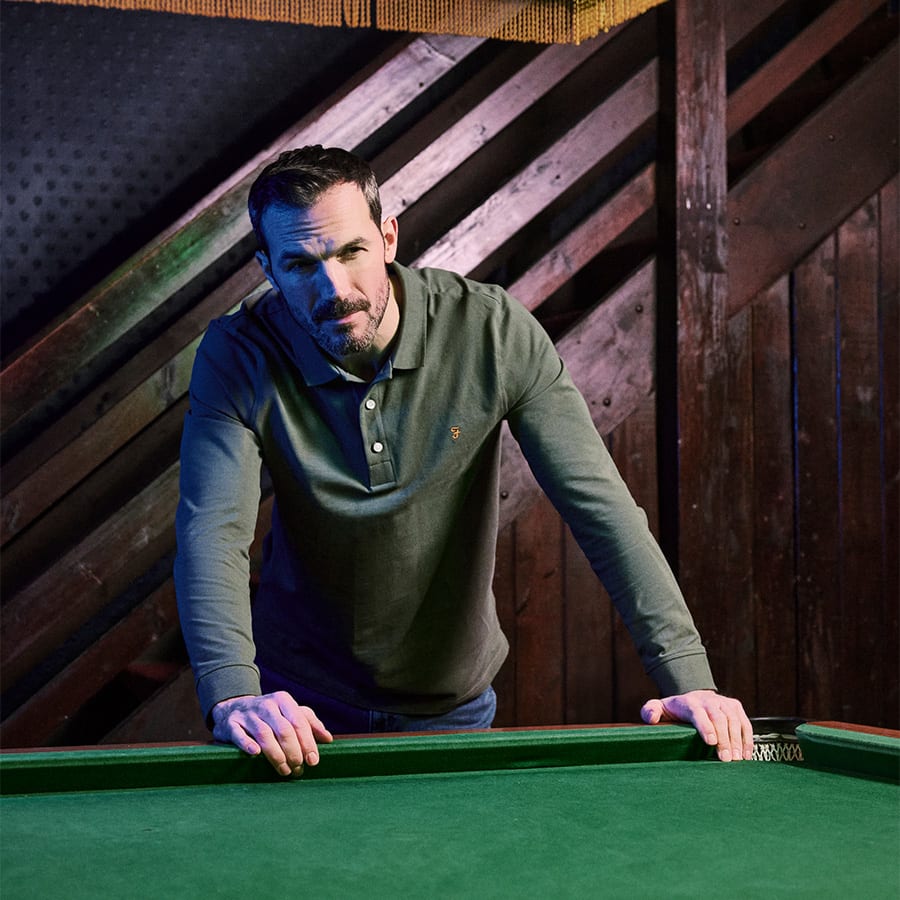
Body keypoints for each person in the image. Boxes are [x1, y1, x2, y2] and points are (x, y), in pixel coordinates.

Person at [175, 145, 753, 777]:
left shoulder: (492, 329)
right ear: (268, 268)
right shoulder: (237, 351)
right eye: (300, 265)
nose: (333, 290)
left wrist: (688, 675)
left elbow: (603, 510)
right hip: (296, 709)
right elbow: (213, 532)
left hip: (451, 703)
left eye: (350, 253)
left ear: (388, 237)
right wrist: (233, 692)